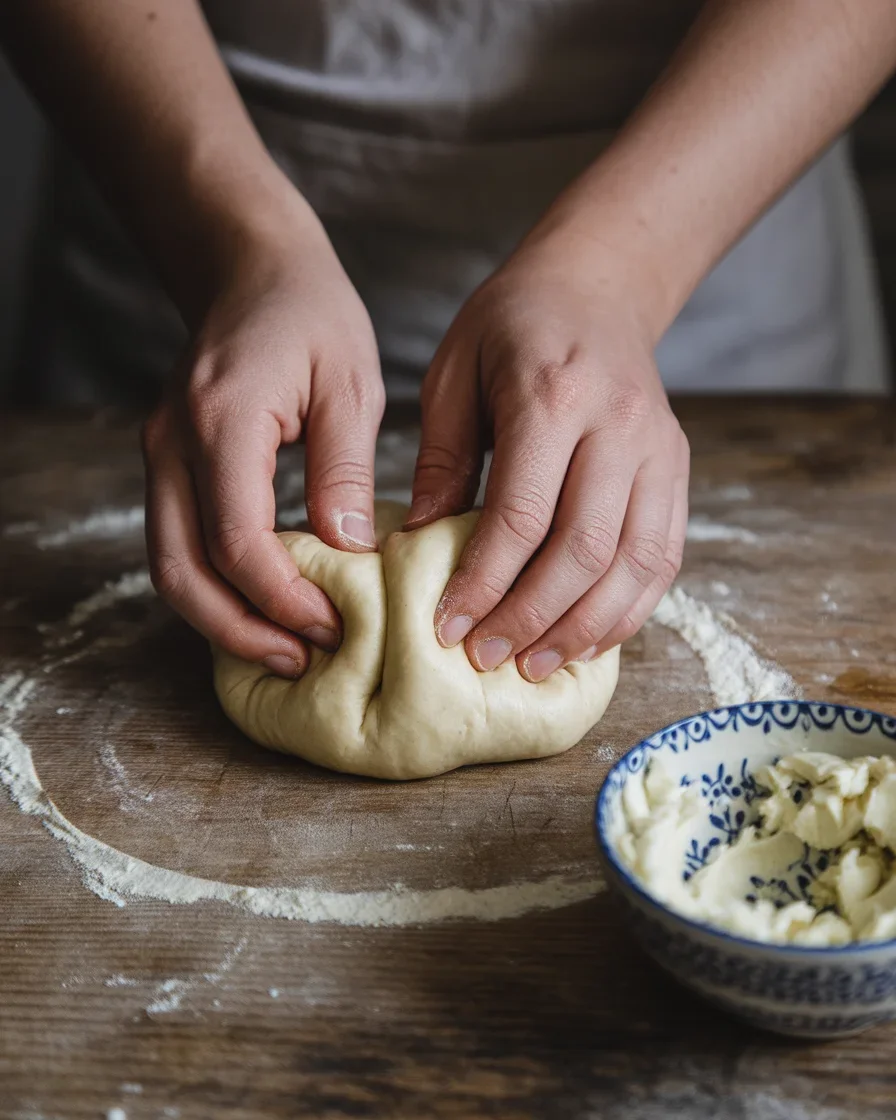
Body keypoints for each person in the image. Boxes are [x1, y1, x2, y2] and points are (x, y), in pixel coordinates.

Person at [2, 1, 894, 687]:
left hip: (715, 186)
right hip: (180, 161)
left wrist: (617, 270)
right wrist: (233, 244)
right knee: (221, 530)